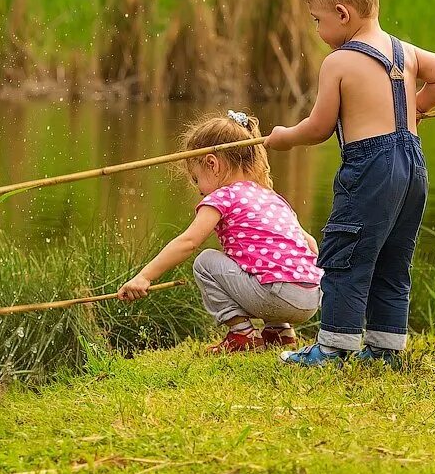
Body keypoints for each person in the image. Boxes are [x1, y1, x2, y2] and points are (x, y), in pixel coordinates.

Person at [267, 0, 435, 366]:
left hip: (370, 167)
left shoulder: (339, 61)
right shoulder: (403, 51)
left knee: (347, 255)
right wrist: (415, 109)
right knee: (394, 258)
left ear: (342, 13)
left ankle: (335, 346)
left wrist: (285, 138)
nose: (317, 28)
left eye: (318, 20)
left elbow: (319, 128)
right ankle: (386, 348)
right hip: (412, 166)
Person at [119, 111, 322, 352]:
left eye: (196, 180)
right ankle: (280, 332)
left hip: (278, 297)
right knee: (260, 261)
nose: (198, 190)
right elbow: (310, 244)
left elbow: (189, 242)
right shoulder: (271, 197)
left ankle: (242, 335)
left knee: (205, 262)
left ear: (212, 163)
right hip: (310, 299)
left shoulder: (222, 197)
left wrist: (144, 276)